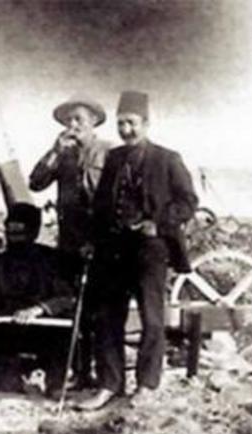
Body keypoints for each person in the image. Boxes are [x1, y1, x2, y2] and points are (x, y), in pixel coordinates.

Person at [79, 91, 198, 411]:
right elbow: (102, 204)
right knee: (107, 318)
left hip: (151, 250)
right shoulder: (114, 158)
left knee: (152, 318)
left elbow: (188, 202)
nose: (126, 130)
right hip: (113, 251)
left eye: (131, 123)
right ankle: (109, 385)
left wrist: (158, 225)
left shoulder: (167, 158)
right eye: (121, 124)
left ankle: (146, 385)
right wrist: (93, 239)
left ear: (146, 123)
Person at [29, 94, 113, 389]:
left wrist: (101, 240)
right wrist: (54, 151)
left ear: (93, 122)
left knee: (99, 310)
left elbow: (115, 199)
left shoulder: (108, 152)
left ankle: (103, 376)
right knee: (71, 306)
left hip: (101, 244)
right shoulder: (62, 155)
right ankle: (79, 371)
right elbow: (35, 182)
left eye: (78, 119)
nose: (72, 125)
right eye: (68, 121)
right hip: (69, 244)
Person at [0, 203, 75, 395]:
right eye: (12, 235)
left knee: (63, 332)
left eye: (22, 235)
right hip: (7, 331)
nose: (16, 240)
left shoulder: (51, 259)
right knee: (5, 388)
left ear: (33, 233)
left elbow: (67, 298)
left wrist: (38, 310)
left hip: (44, 330)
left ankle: (55, 380)